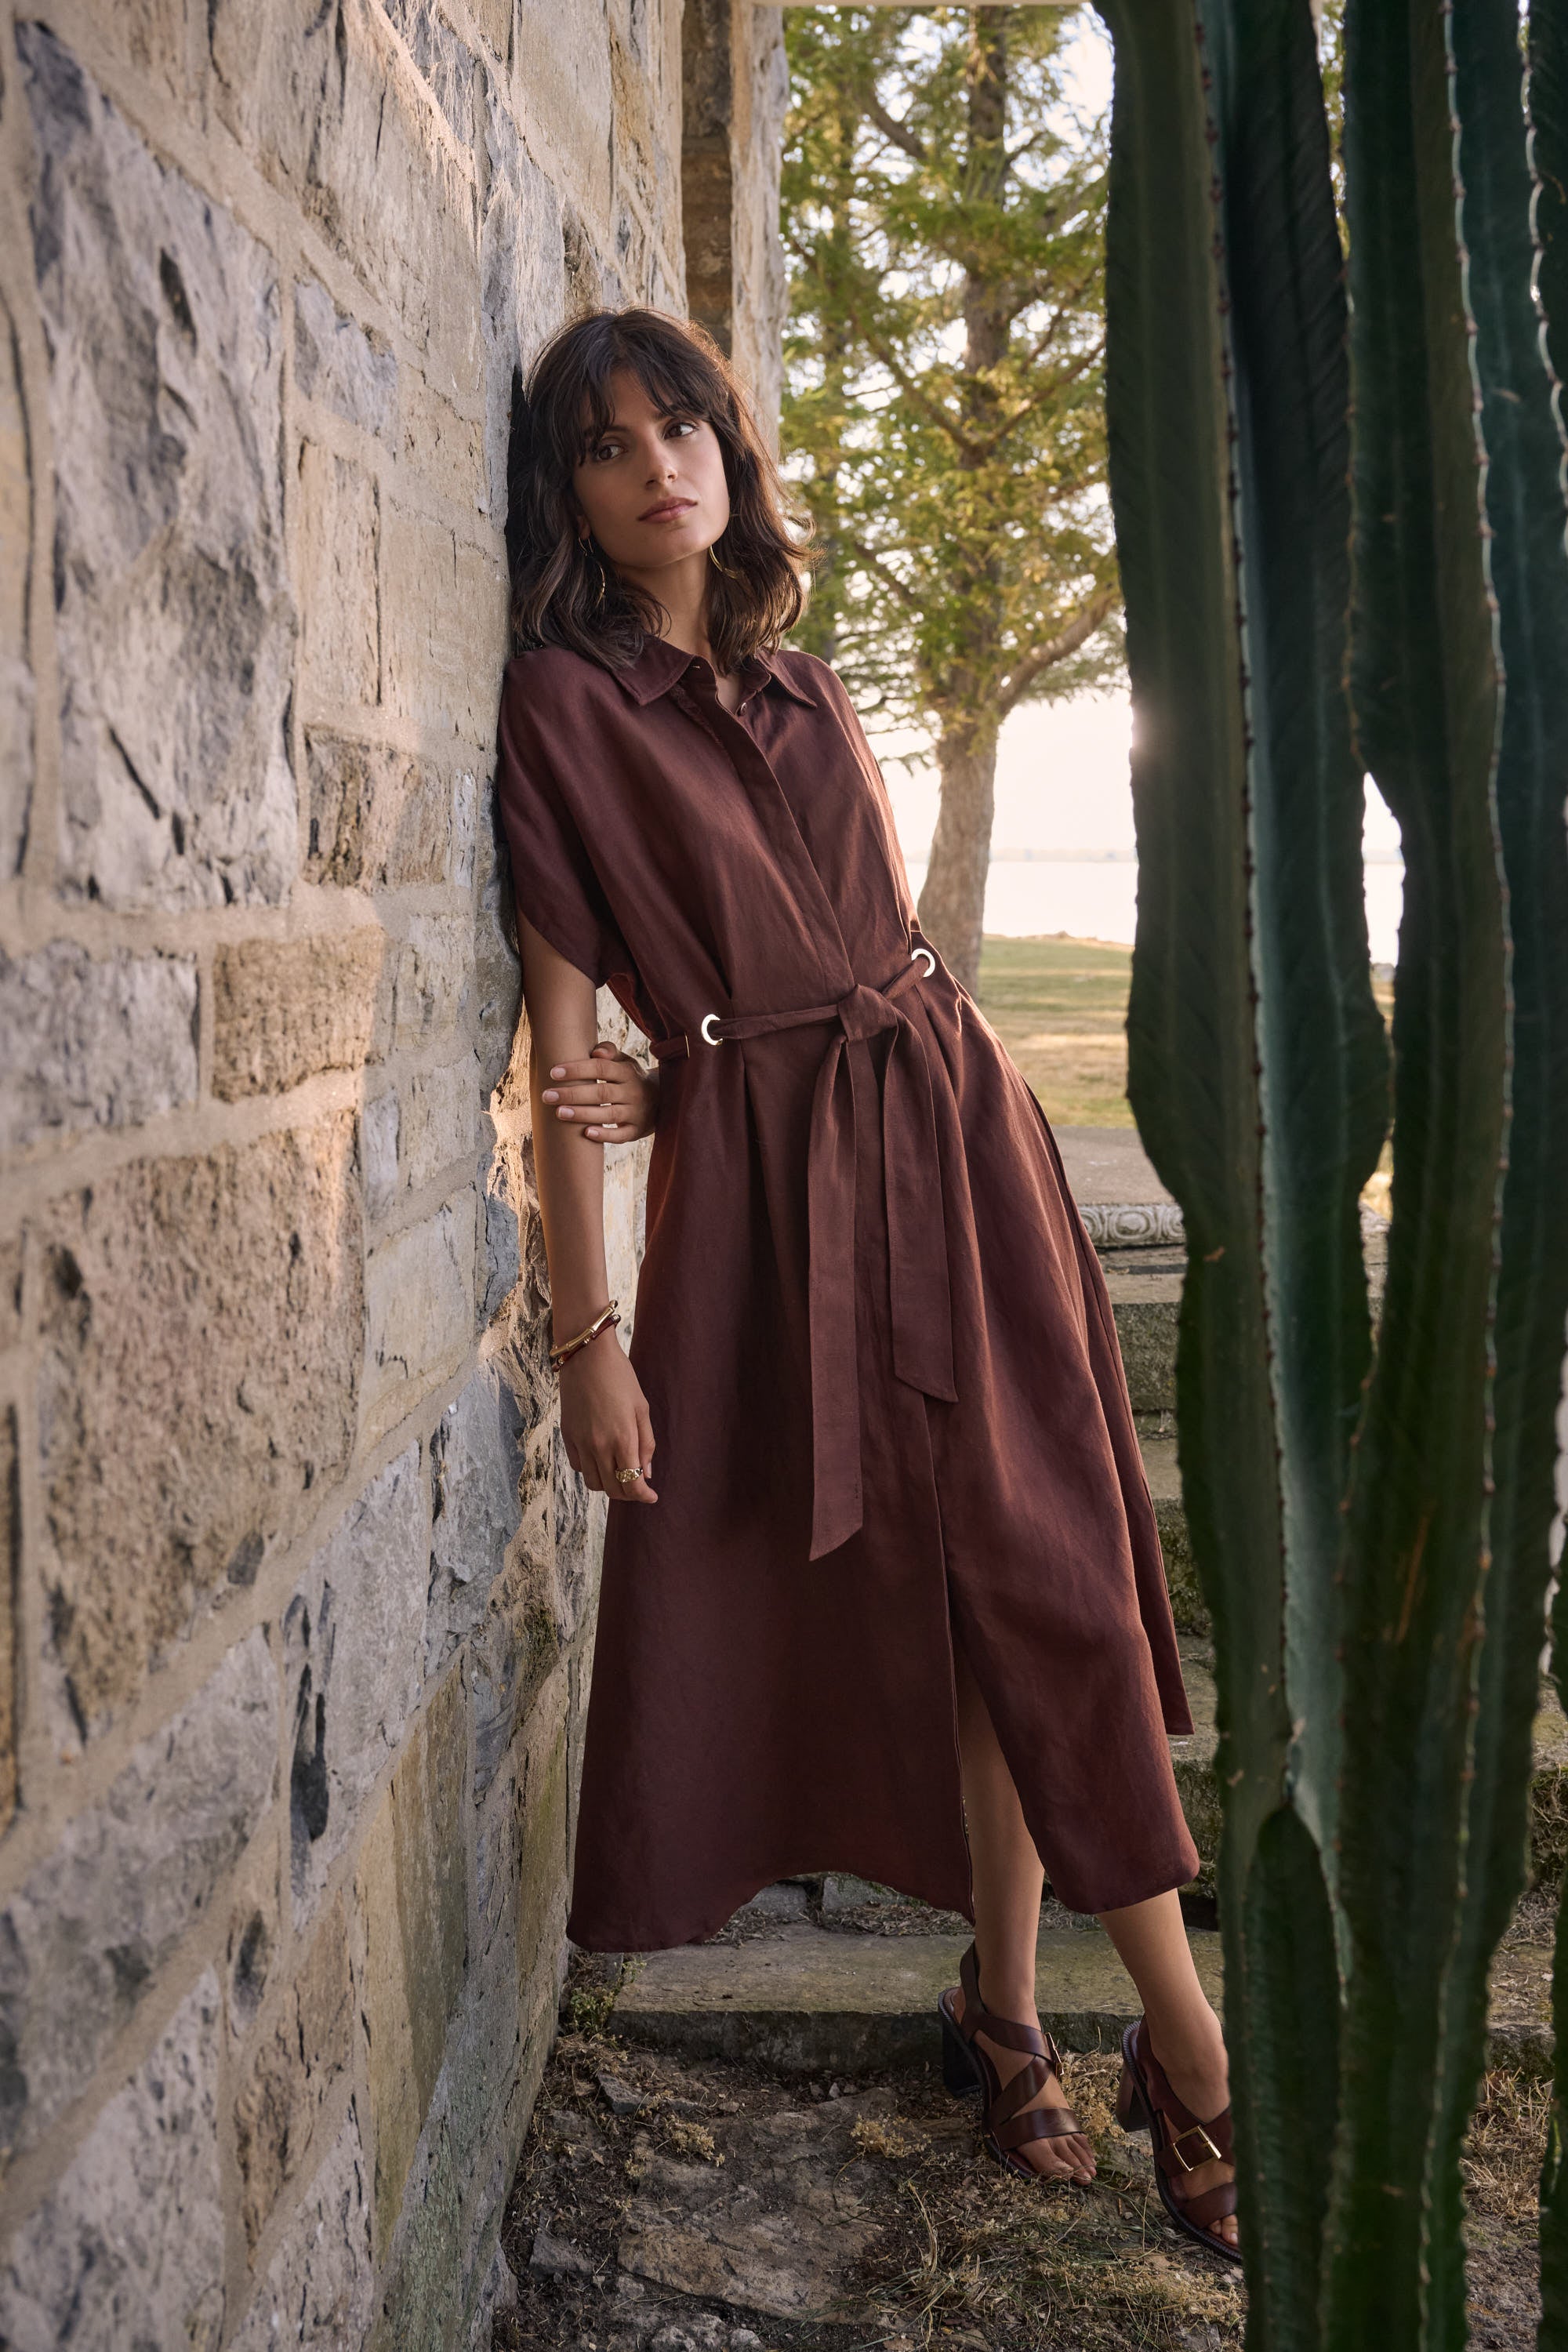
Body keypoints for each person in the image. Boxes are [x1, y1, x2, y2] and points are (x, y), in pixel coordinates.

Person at [495, 307, 1240, 2259]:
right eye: (609, 444)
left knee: (1044, 1583)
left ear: (734, 458)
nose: (660, 465)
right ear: (568, 495)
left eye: (687, 429)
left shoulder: (813, 688)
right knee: (958, 1589)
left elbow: (860, 955)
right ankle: (1088, 2038)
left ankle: (1121, 2028)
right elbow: (561, 1053)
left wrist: (706, 1059)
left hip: (965, 1156)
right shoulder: (562, 712)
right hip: (775, 1214)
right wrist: (592, 1333)